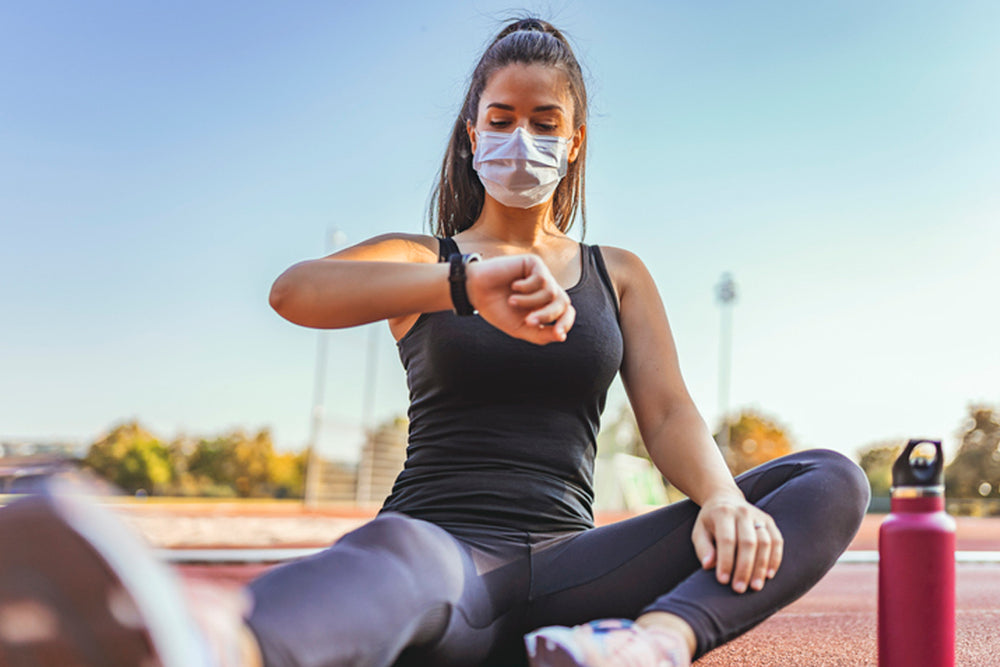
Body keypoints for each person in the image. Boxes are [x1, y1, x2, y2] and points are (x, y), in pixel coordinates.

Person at [0, 17, 869, 667]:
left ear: (574, 140)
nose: (519, 135)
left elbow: (671, 410)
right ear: (471, 129)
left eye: (543, 118)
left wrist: (720, 494)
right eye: (500, 115)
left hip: (577, 570)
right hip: (442, 558)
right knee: (397, 550)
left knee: (826, 478)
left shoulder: (620, 272)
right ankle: (210, 645)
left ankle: (647, 646)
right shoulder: (428, 258)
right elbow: (294, 290)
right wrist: (465, 284)